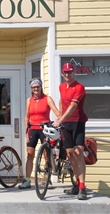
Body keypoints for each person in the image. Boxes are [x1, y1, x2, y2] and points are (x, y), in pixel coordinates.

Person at [53, 63, 88, 200]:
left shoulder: (80, 87)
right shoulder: (62, 86)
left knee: (78, 152)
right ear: (62, 74)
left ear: (74, 72)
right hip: (66, 124)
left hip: (78, 122)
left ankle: (82, 187)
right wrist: (60, 116)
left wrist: (60, 119)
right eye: (65, 72)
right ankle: (77, 184)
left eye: (70, 72)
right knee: (69, 153)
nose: (68, 74)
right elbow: (62, 101)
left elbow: (73, 106)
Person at [19, 78, 60, 189]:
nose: (35, 89)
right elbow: (27, 116)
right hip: (32, 128)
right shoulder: (29, 100)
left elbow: (56, 112)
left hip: (44, 129)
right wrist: (26, 132)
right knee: (30, 154)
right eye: (33, 87)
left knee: (47, 154)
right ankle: (27, 180)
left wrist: (60, 120)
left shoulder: (47, 99)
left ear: (41, 87)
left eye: (37, 86)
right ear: (31, 89)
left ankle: (48, 179)